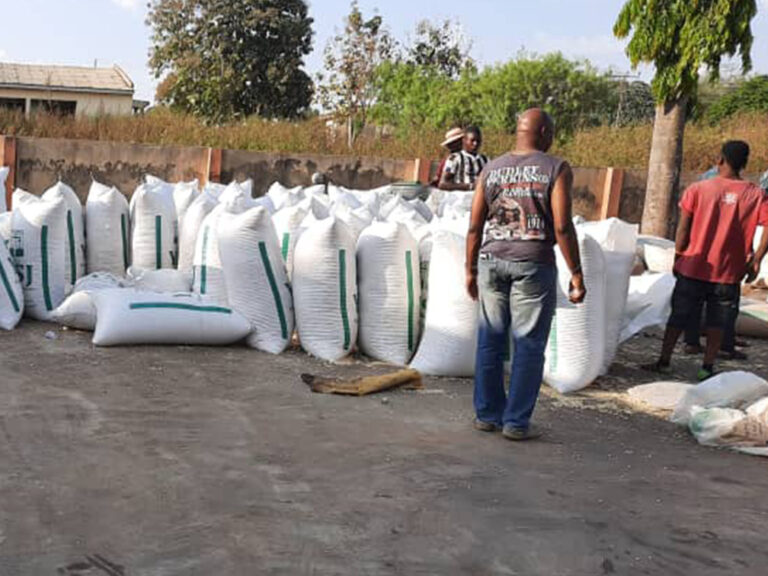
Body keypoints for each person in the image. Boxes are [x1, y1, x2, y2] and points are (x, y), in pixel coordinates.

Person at [465, 108, 586, 441]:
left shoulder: (491, 168)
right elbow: (562, 225)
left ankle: (487, 416)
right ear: (544, 132)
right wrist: (576, 272)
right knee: (528, 344)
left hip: (491, 260)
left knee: (490, 340)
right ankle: (515, 423)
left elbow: (475, 224)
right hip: (533, 265)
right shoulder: (555, 168)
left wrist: (470, 269)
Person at [645, 141, 768, 381]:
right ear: (744, 164)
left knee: (678, 315)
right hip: (729, 271)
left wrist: (679, 255)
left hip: (693, 267)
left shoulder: (698, 189)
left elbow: (683, 229)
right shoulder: (755, 194)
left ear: (720, 159)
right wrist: (756, 260)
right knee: (717, 321)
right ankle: (707, 367)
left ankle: (664, 360)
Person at [439, 126, 488, 191]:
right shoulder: (454, 158)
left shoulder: (485, 159)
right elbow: (443, 184)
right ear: (464, 140)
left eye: (478, 141)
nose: (475, 144)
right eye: (472, 140)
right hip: (460, 198)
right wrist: (469, 186)